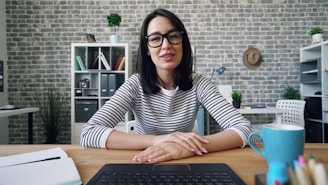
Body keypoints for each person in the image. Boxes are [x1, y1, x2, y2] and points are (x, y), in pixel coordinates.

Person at [81, 8, 253, 163]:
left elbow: (244, 129)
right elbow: (89, 133)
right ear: (147, 49)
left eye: (173, 36)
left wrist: (188, 147)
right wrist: (157, 140)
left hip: (185, 162)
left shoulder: (199, 83)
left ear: (183, 42)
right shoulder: (135, 84)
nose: (166, 46)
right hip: (143, 160)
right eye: (156, 38)